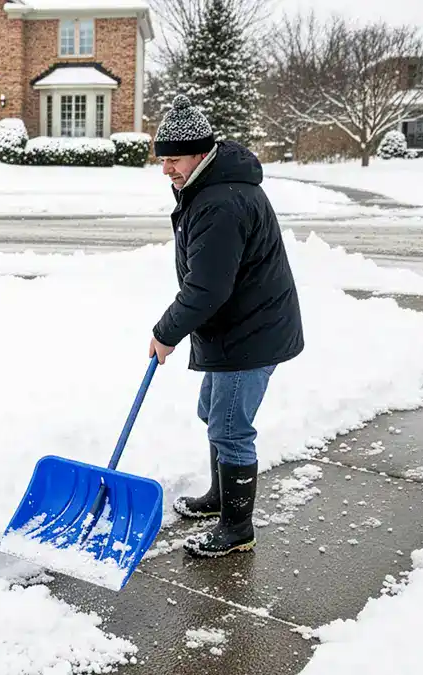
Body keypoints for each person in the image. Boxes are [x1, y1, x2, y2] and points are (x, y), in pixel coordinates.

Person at [147, 95, 305, 558]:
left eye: (173, 160)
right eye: (163, 160)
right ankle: (221, 497)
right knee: (212, 416)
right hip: (235, 325)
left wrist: (165, 331)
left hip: (251, 333)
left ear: (200, 154)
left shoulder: (220, 202)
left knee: (231, 428)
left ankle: (237, 528)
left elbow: (207, 288)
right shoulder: (211, 188)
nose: (166, 170)